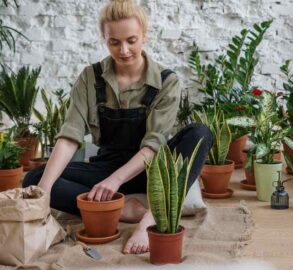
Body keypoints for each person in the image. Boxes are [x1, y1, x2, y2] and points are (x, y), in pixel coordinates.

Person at [23, 0, 212, 255]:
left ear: (144, 36)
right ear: (104, 38)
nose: (123, 50)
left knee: (201, 133)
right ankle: (123, 209)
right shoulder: (90, 78)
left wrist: (114, 182)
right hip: (106, 166)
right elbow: (69, 138)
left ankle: (150, 220)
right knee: (35, 179)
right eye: (114, 42)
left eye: (131, 40)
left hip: (151, 171)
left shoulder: (167, 82)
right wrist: (42, 197)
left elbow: (154, 144)